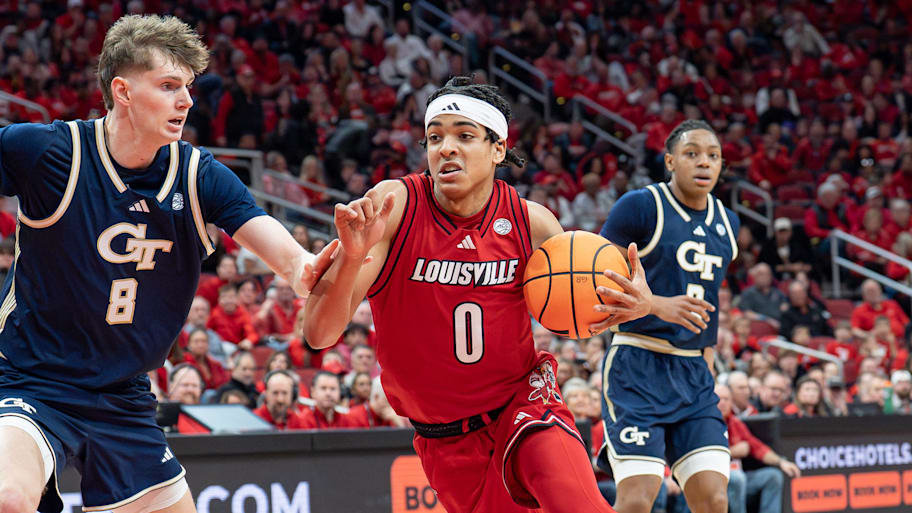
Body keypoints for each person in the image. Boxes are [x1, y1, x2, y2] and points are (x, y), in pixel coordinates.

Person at [0, 15, 336, 513]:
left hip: (124, 396)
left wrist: (310, 267)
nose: (186, 100)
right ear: (123, 91)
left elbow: (289, 259)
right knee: (8, 496)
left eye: (188, 87)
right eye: (168, 85)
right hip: (32, 379)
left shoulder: (201, 176)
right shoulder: (49, 151)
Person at [304, 76, 655, 513]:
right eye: (434, 138)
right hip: (444, 440)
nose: (445, 148)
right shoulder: (395, 206)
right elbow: (318, 335)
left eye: (464, 136)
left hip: (524, 403)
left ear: (498, 149)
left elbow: (583, 312)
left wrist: (637, 306)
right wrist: (353, 257)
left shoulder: (532, 223)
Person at [597, 119, 738, 513]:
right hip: (638, 364)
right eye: (692, 154)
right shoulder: (641, 206)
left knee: (714, 498)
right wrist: (656, 304)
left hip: (693, 373)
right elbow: (593, 274)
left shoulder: (729, 222)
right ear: (671, 161)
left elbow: (709, 299)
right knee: (640, 498)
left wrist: (707, 359)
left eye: (713, 156)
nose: (704, 163)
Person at [715, 384, 800, 513]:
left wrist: (781, 462)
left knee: (773, 476)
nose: (723, 403)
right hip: (715, 481)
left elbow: (757, 448)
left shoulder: (735, 423)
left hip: (740, 478)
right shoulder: (704, 424)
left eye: (727, 399)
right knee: (737, 478)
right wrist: (732, 452)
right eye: (719, 399)